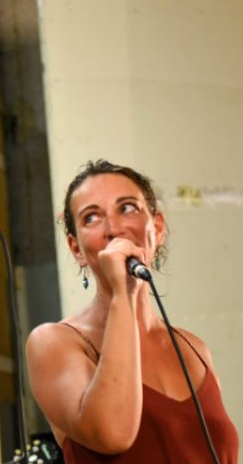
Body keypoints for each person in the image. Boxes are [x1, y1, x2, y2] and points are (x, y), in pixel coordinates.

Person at [26, 160, 239, 463]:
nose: (114, 229)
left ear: (158, 228)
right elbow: (113, 434)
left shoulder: (194, 348)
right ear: (76, 249)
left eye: (127, 208)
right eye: (91, 217)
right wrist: (123, 294)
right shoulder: (54, 342)